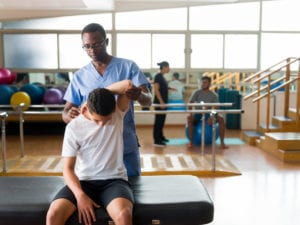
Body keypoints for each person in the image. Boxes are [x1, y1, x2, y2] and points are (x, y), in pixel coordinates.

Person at [62, 23, 152, 176]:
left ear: (107, 42)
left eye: (97, 44)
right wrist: (67, 115)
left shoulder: (128, 67)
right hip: (93, 150)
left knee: (132, 192)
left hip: (125, 145)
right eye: (87, 46)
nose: (92, 50)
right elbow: (65, 111)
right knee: (97, 195)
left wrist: (140, 96)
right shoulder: (79, 76)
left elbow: (148, 100)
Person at [46, 80, 134, 225]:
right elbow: (67, 169)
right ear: (85, 109)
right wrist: (80, 196)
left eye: (106, 120)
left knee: (124, 214)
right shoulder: (74, 127)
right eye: (97, 120)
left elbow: (128, 85)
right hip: (83, 181)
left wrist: (99, 94)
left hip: (114, 181)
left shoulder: (118, 113)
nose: (102, 124)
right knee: (53, 215)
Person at [187, 76, 228, 149]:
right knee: (189, 119)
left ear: (209, 84)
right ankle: (191, 142)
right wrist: (190, 114)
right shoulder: (197, 92)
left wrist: (212, 117)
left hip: (208, 114)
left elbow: (216, 108)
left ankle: (222, 143)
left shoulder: (214, 95)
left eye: (205, 82)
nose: (203, 84)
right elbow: (190, 103)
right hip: (198, 114)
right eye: (202, 82)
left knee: (221, 119)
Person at [153, 61, 170, 147]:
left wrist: (170, 88)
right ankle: (157, 140)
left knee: (162, 120)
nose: (169, 68)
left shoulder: (162, 77)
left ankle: (161, 137)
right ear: (164, 67)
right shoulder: (157, 76)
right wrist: (161, 102)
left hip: (163, 103)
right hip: (160, 103)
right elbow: (156, 90)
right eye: (168, 67)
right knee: (159, 121)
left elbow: (163, 87)